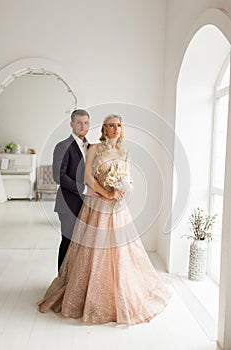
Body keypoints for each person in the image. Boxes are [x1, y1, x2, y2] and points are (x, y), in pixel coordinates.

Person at [38, 114, 171, 325]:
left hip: (117, 207)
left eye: (119, 125)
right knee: (83, 248)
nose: (116, 128)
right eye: (111, 125)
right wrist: (106, 193)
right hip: (96, 203)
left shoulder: (123, 151)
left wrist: (123, 187)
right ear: (104, 129)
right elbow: (87, 178)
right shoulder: (93, 149)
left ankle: (115, 288)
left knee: (118, 249)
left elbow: (126, 176)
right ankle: (74, 285)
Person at [53, 108, 94, 270]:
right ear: (71, 124)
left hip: (87, 205)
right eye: (79, 123)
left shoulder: (91, 147)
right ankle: (60, 281)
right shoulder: (62, 146)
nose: (82, 126)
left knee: (82, 245)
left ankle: (73, 282)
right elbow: (59, 176)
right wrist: (84, 190)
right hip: (68, 203)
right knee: (68, 242)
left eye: (85, 123)